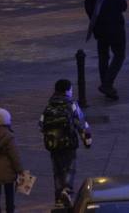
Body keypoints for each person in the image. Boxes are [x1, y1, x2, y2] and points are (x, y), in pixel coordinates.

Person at [39, 79, 91, 211]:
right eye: (71, 89)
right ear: (67, 90)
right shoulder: (71, 104)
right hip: (68, 143)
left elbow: (41, 123)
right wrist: (87, 140)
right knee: (69, 168)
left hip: (53, 145)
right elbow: (81, 122)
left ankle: (58, 199)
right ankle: (67, 190)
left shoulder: (49, 105)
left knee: (57, 171)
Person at [84, 0, 128, 100]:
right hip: (115, 26)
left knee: (103, 56)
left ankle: (105, 83)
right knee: (119, 55)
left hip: (99, 27)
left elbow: (88, 7)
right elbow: (123, 6)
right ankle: (107, 84)